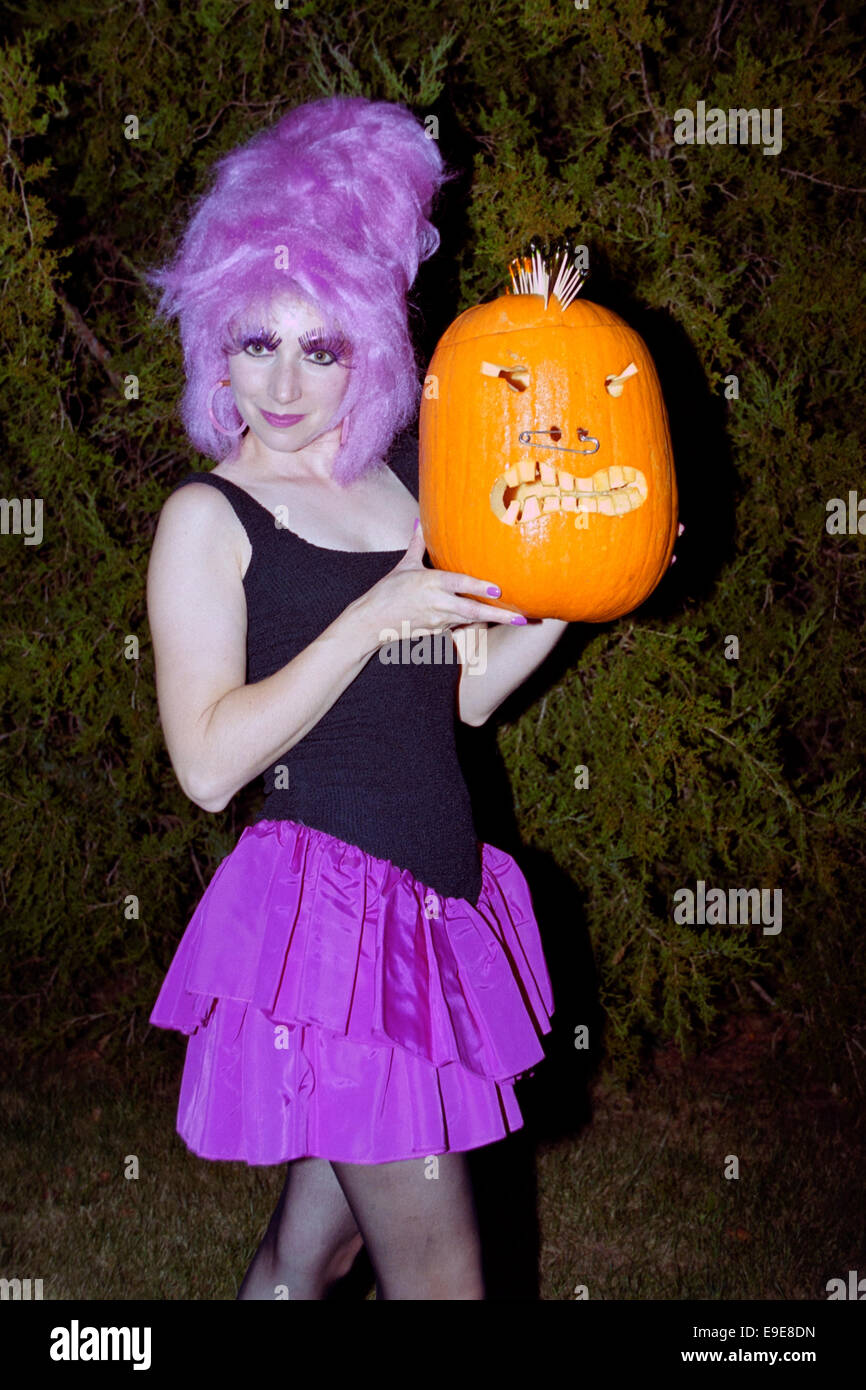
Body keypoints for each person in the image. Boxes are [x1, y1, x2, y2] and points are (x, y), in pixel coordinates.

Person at [145, 95, 568, 1301]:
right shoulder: (208, 520)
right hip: (331, 940)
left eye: (319, 347)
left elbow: (467, 698)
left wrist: (566, 592)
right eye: (254, 341)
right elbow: (210, 763)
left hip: (429, 911)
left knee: (309, 1252)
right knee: (441, 1278)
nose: (283, 382)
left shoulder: (399, 495)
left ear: (368, 348)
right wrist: (368, 619)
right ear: (213, 341)